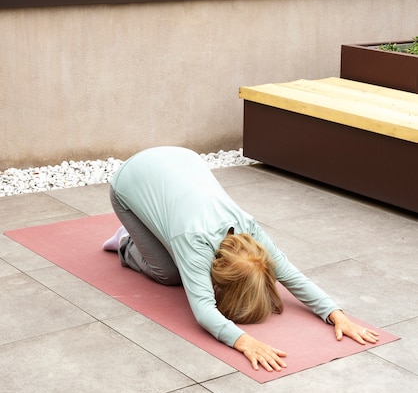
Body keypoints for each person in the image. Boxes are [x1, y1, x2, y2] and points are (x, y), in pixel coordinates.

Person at [104, 146, 379, 372]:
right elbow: (203, 310)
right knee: (169, 274)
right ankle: (128, 241)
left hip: (181, 160)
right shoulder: (193, 242)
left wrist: (335, 314)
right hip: (130, 179)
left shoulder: (251, 232)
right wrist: (243, 341)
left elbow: (292, 276)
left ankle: (151, 232)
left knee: (179, 260)